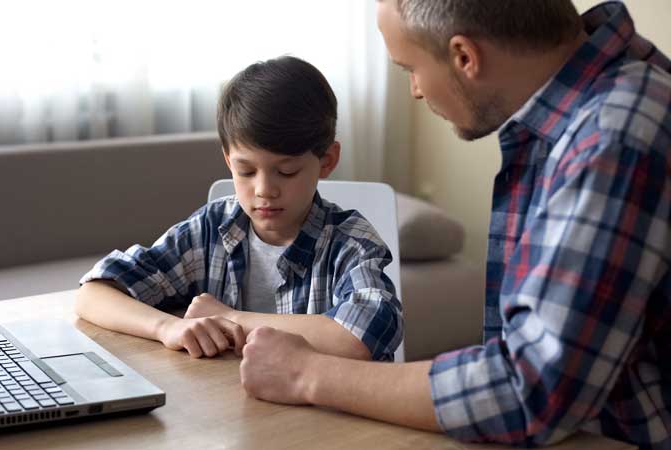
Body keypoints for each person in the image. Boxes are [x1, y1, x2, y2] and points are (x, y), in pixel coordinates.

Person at [239, 1, 671, 449]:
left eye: (410, 68)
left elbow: (530, 389)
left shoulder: (614, 137)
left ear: (464, 56)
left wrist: (305, 372)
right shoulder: (593, 109)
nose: (415, 91)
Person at [76, 56, 402, 362]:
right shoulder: (211, 228)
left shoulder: (350, 243)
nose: (264, 190)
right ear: (228, 161)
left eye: (286, 171)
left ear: (327, 161)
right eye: (246, 171)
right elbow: (94, 293)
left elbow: (360, 337)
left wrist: (231, 318)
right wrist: (168, 327)